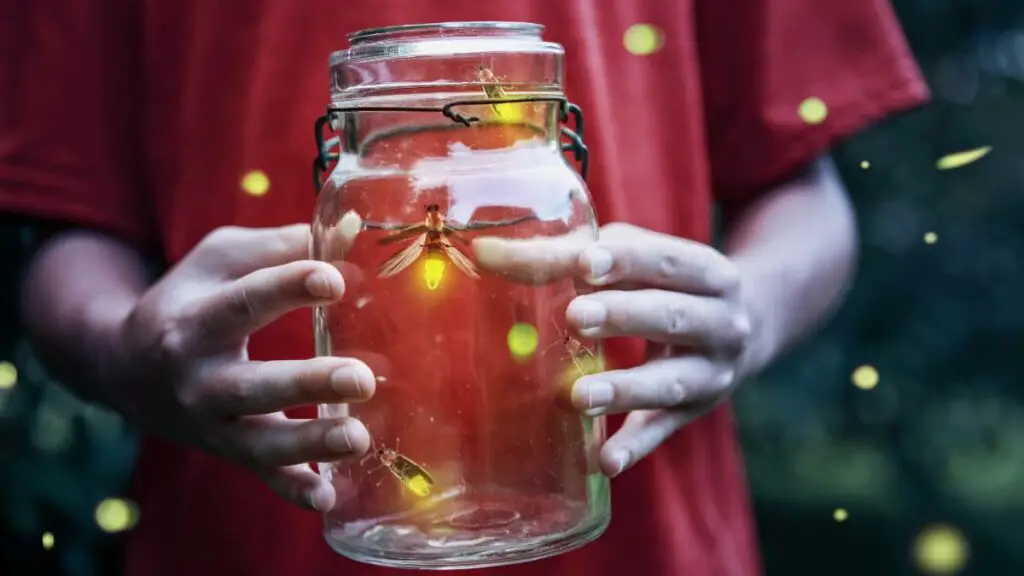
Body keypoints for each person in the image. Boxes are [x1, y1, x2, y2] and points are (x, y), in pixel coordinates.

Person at [0, 1, 928, 574]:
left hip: (656, 542)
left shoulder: (546, 176)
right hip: (235, 543)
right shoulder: (354, 184)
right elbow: (63, 225)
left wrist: (750, 310)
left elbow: (805, 196)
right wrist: (122, 347)